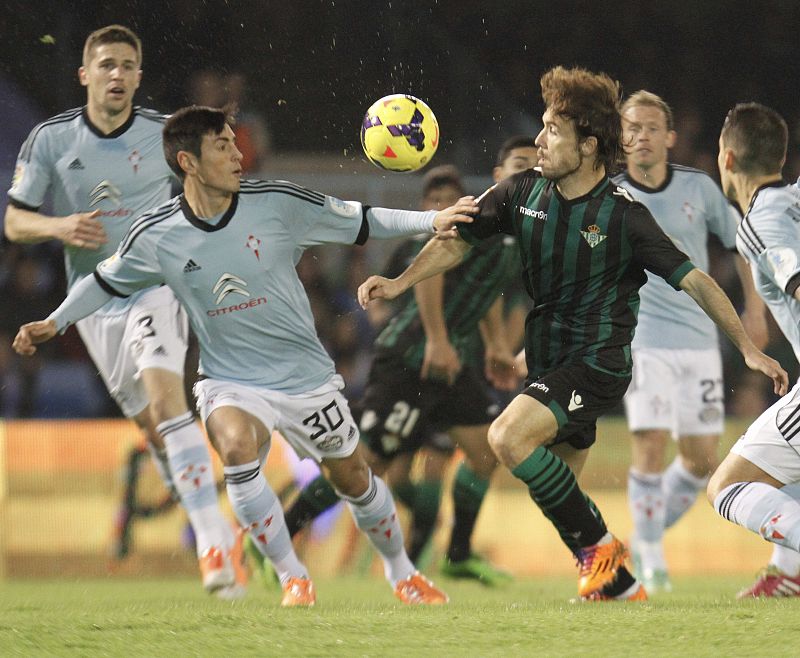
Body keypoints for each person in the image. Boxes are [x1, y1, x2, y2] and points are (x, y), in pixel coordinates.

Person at [12, 105, 474, 606]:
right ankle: (291, 575)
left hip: (304, 378)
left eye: (236, 143)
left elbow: (361, 220)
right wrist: (54, 321)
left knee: (355, 478)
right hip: (229, 380)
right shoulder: (156, 233)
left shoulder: (276, 201)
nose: (238, 154)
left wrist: (433, 219)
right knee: (236, 450)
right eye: (224, 146)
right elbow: (104, 280)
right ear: (188, 162)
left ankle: (401, 571)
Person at [357, 66, 788, 602]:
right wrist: (399, 283)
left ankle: (606, 553)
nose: (538, 140)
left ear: (587, 145)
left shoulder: (623, 216)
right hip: (547, 361)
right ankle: (617, 584)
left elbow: (695, 280)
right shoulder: (521, 192)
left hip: (597, 363)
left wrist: (747, 346)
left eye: (552, 130)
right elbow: (458, 241)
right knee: (553, 485)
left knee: (506, 437)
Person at [3, 25, 244, 598]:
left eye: (127, 65)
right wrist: (59, 225)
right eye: (106, 64)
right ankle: (201, 515)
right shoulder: (51, 141)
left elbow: (212, 188)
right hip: (90, 302)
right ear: (85, 75)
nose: (117, 74)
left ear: (138, 76)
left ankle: (214, 544)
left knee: (167, 402)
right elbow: (14, 220)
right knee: (151, 428)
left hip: (154, 286)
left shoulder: (163, 135)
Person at [276, 140, 537, 586]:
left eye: (535, 168)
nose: (528, 176)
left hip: (453, 364)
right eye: (519, 167)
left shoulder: (520, 231)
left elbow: (484, 289)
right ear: (498, 175)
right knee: (368, 465)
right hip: (413, 357)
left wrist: (494, 343)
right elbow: (431, 271)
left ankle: (455, 554)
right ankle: (278, 535)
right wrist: (436, 338)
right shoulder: (479, 215)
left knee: (484, 452)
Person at [612, 91, 769, 593]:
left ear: (669, 137)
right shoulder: (610, 194)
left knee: (702, 458)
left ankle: (644, 535)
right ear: (621, 137)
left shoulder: (698, 189)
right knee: (650, 440)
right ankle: (653, 557)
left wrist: (754, 308)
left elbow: (741, 242)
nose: (642, 136)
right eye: (632, 128)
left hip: (700, 337)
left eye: (652, 128)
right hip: (644, 339)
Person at [707, 102, 800, 599]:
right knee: (783, 464)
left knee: (727, 488)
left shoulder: (760, 222)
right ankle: (789, 573)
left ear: (726, 160)